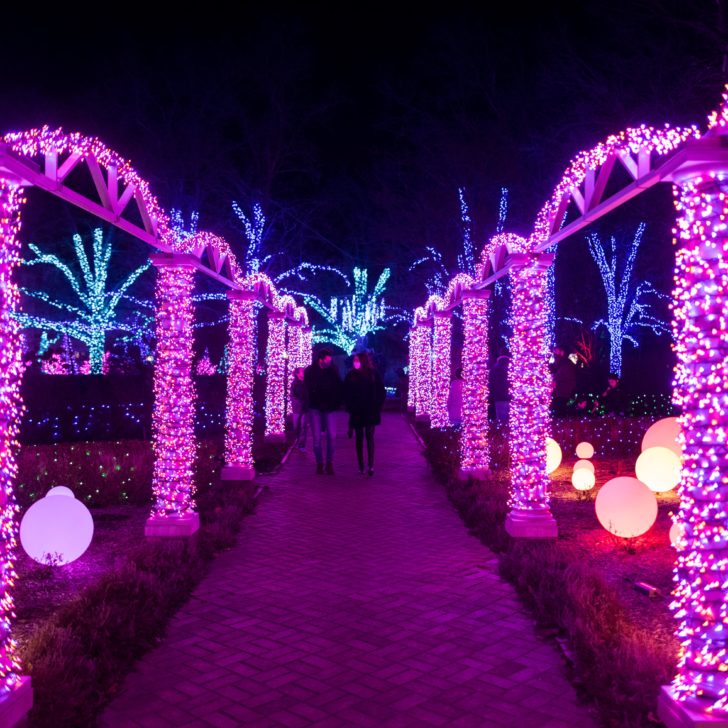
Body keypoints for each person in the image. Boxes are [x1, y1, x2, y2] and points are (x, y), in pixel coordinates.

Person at [344, 351, 386, 476]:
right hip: (357, 411)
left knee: (369, 437)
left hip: (370, 410)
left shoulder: (373, 374)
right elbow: (346, 393)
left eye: (357, 360)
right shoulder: (351, 375)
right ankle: (361, 465)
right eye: (354, 360)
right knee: (359, 438)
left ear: (363, 361)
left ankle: (370, 466)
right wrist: (349, 407)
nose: (355, 362)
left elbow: (381, 392)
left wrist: (377, 406)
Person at [304, 349, 343, 475]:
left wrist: (336, 402)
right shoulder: (310, 371)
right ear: (321, 359)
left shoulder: (332, 371)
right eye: (327, 360)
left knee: (332, 436)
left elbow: (339, 387)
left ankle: (329, 462)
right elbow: (308, 388)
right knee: (316, 438)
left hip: (330, 407)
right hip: (315, 407)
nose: (329, 362)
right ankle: (320, 462)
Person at [550, 345, 576, 416]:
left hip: (564, 388)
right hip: (562, 388)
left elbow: (563, 374)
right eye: (554, 352)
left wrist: (554, 379)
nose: (555, 354)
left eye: (557, 352)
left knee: (561, 406)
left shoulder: (565, 363)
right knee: (560, 406)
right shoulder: (560, 363)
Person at [290, 367, 309, 450]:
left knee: (303, 426)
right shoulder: (295, 383)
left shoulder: (304, 382)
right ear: (298, 374)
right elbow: (295, 395)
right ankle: (297, 443)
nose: (304, 373)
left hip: (303, 408)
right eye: (302, 371)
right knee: (297, 427)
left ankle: (301, 444)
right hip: (297, 408)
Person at [490, 354, 509, 420]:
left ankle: (501, 428)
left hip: (499, 396)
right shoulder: (501, 371)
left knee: (501, 415)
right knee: (503, 416)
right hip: (502, 396)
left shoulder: (494, 370)